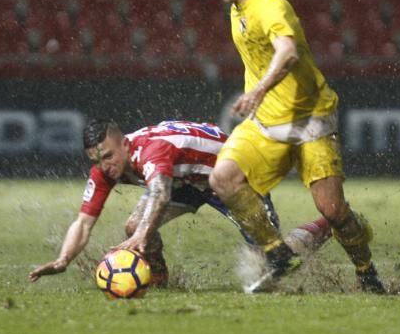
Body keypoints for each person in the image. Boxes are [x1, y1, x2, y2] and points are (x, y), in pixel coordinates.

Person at [201, 0, 385, 293]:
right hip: (267, 122)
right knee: (222, 179)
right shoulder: (237, 7)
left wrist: (257, 90)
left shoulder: (270, 5)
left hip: (310, 119)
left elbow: (287, 52)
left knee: (333, 211)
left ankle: (367, 273)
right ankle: (278, 253)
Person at [29, 118, 330, 287]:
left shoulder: (150, 151)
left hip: (231, 174)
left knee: (272, 261)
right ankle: (158, 277)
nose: (105, 166)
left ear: (124, 144)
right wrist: (63, 259)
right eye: (97, 160)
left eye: (108, 156)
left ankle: (327, 224)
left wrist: (139, 238)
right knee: (134, 224)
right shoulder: (105, 170)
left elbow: (159, 194)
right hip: (185, 180)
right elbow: (83, 222)